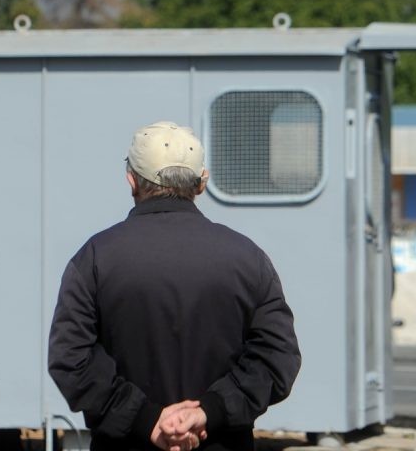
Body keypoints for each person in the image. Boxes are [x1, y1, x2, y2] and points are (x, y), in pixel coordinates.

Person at [48, 121, 301, 451]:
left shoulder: (94, 258)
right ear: (201, 184)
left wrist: (146, 420)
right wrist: (209, 411)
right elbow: (277, 358)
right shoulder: (248, 258)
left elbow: (72, 358)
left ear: (131, 181)